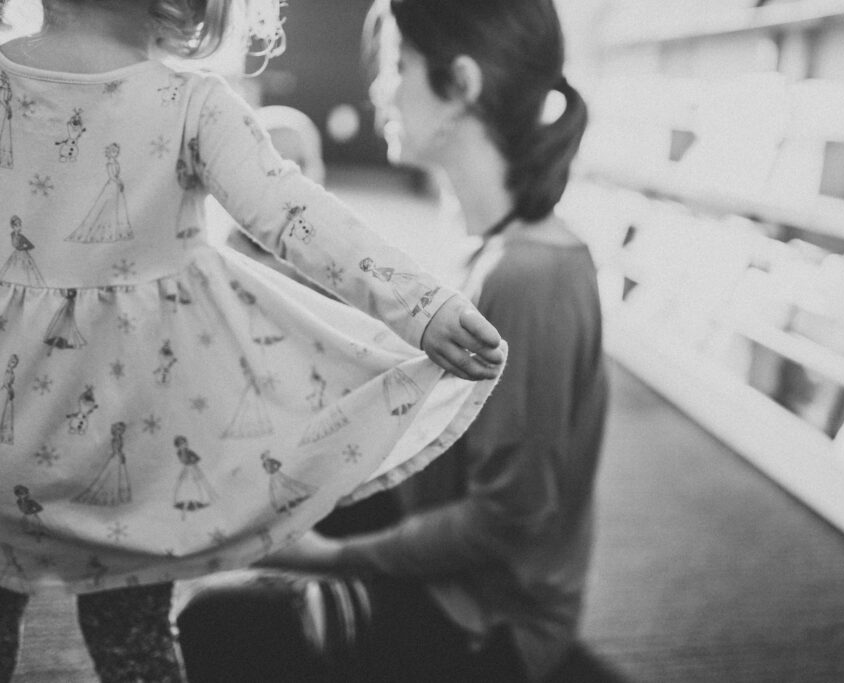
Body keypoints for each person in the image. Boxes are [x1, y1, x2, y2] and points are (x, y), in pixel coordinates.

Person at [0, 0, 507, 680]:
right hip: (131, 447)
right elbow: (295, 214)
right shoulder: (190, 102)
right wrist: (420, 304)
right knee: (135, 642)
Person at [177, 0, 608, 681]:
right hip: (441, 534)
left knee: (217, 624)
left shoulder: (533, 277)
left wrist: (331, 558)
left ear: (461, 84)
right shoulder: (488, 246)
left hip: (490, 618)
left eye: (399, 65)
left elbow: (508, 519)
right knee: (274, 484)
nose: (380, 87)